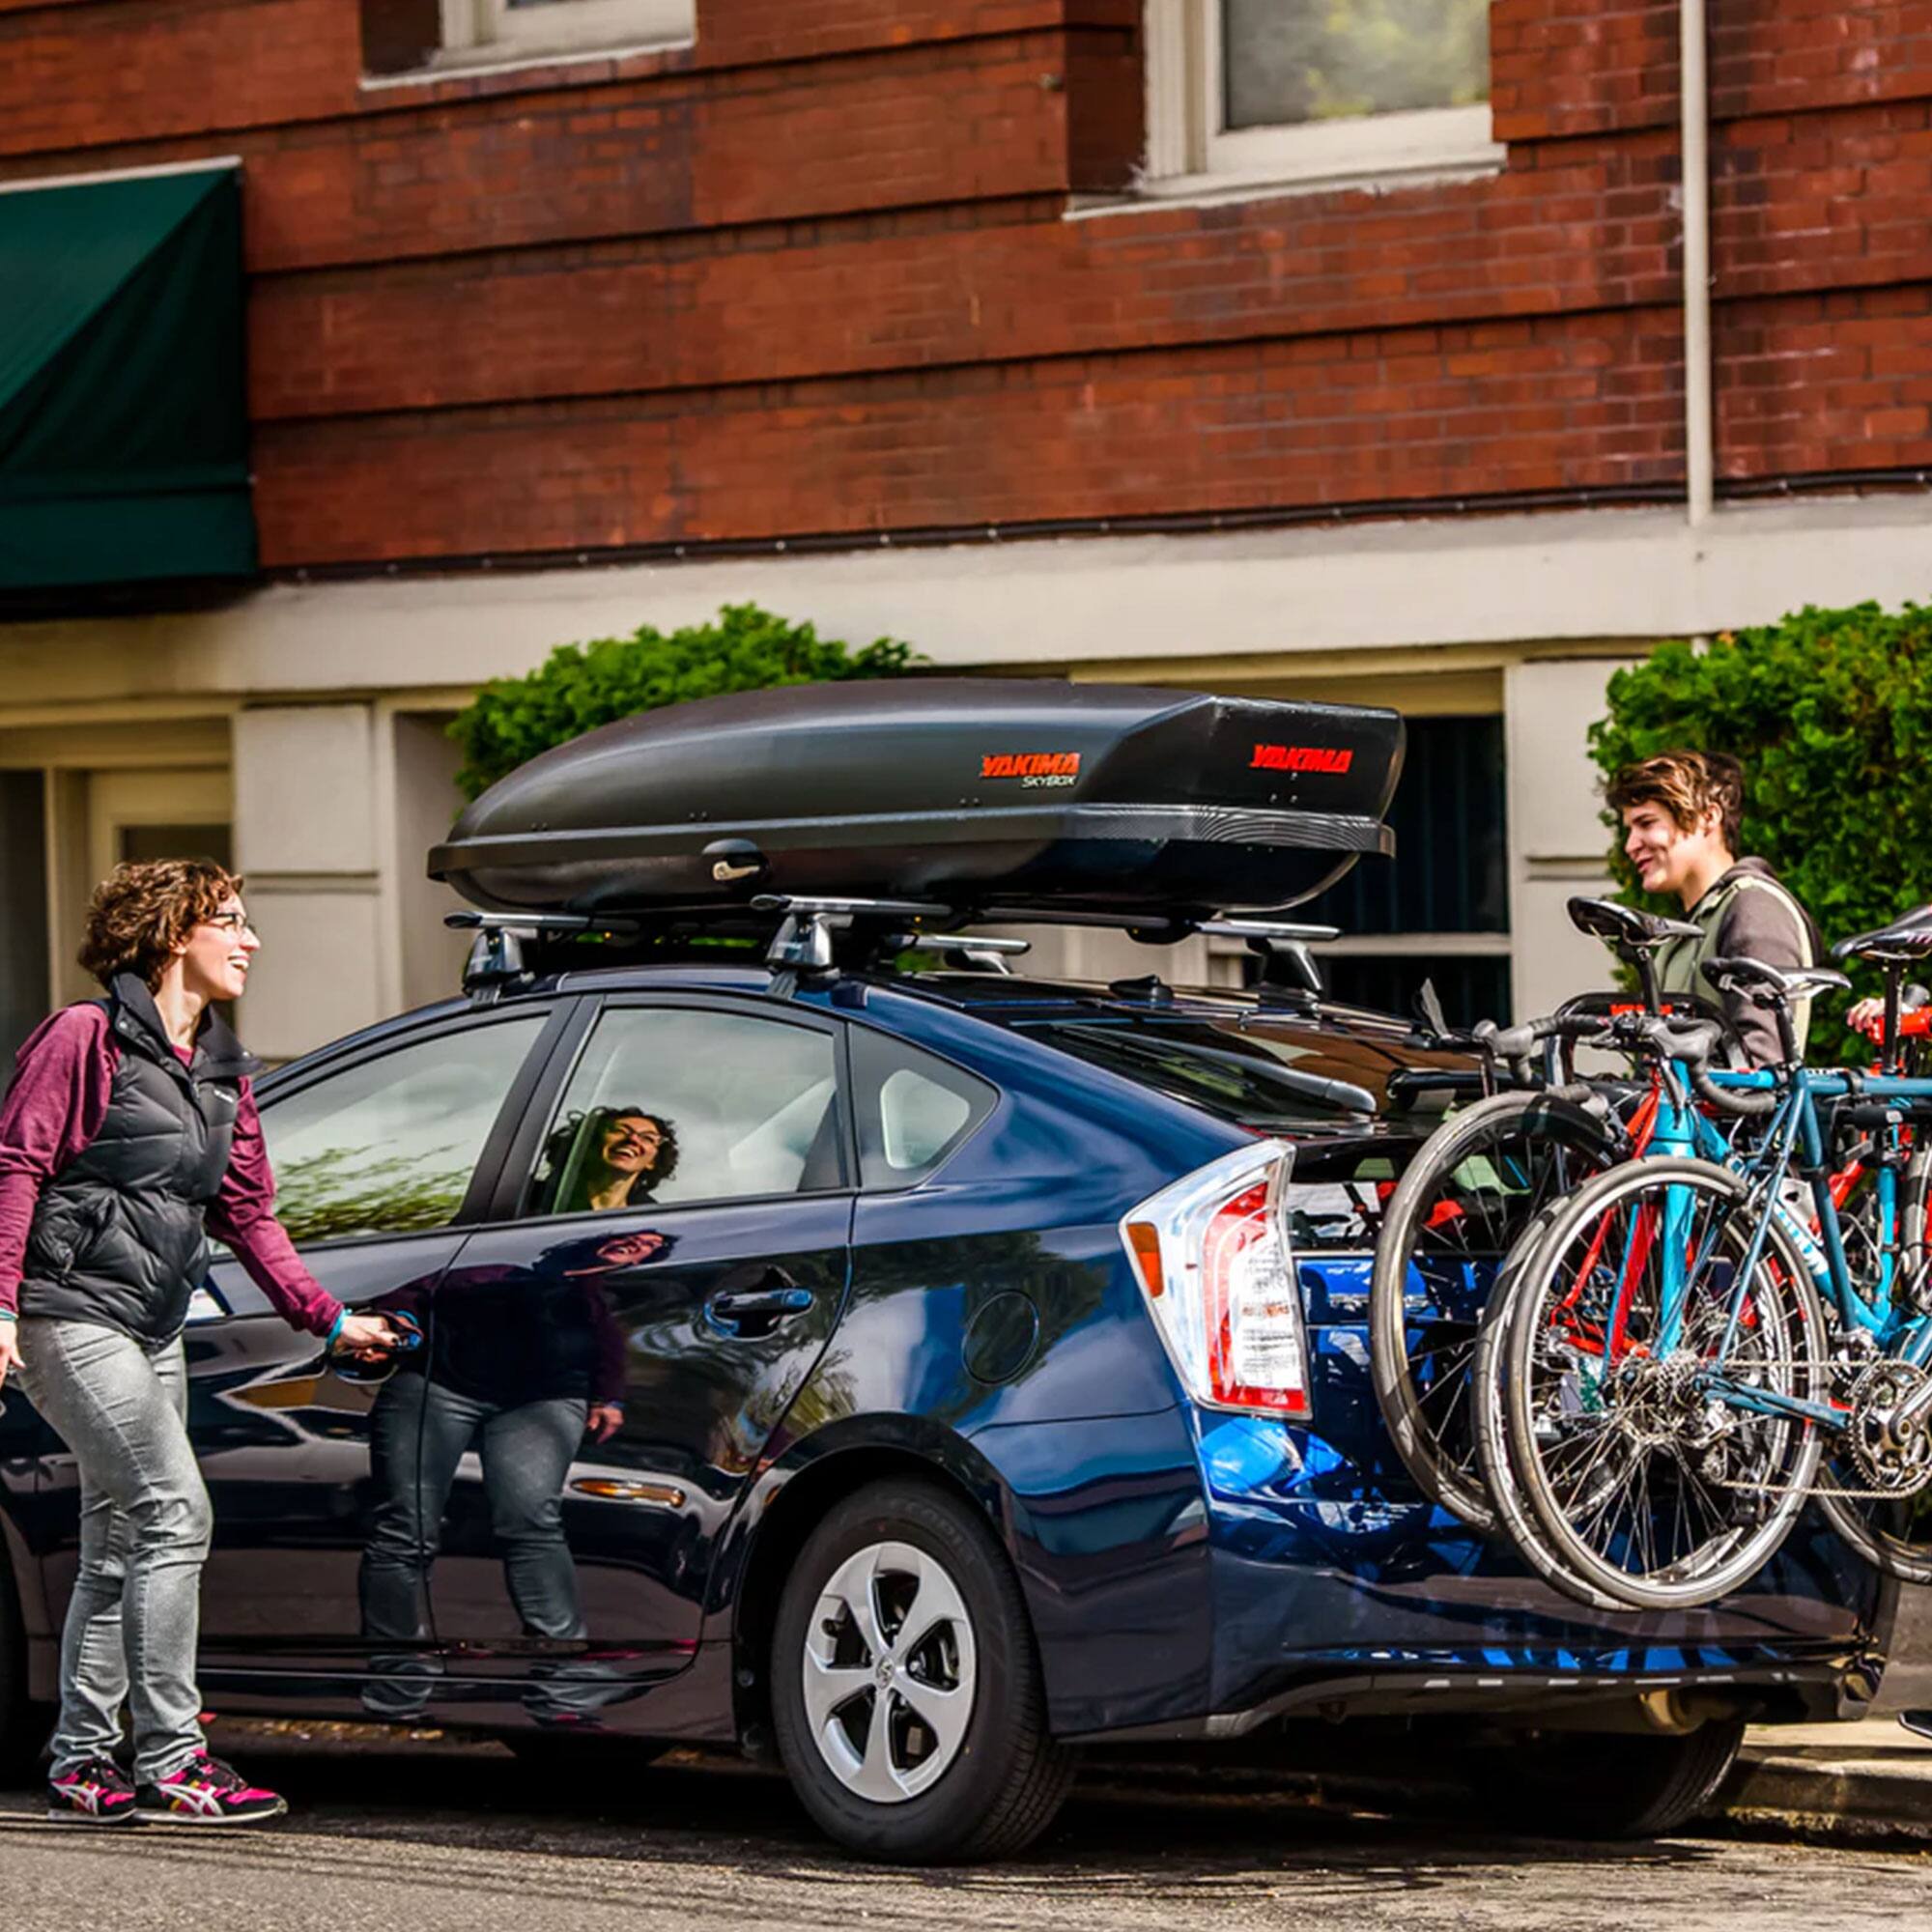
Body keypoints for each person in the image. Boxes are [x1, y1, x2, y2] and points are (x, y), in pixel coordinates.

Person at [0, 861, 395, 1827]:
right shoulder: (85, 1036)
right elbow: (16, 1163)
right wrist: (0, 1307)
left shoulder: (222, 1068)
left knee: (119, 1537)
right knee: (175, 1512)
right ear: (176, 931)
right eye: (231, 921)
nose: (251, 940)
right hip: (68, 1313)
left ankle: (82, 1759)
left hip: (156, 1322)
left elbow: (249, 1213)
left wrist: (327, 1317)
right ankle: (173, 1758)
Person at [1606, 750, 1823, 1068]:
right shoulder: (1689, 928)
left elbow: (1760, 1064)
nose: (1630, 845)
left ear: (1708, 817)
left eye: (1647, 823)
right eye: (1629, 829)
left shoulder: (1754, 908)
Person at [540, 1105, 679, 1213]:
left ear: (653, 1161)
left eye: (647, 1138)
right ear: (588, 1143)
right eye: (619, 1131)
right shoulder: (538, 1198)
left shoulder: (649, 1222)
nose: (633, 1139)